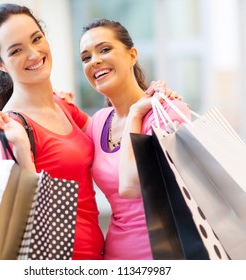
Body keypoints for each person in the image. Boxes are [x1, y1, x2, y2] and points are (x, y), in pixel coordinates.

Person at [0, 3, 104, 260]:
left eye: (36, 39)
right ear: (0, 63)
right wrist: (21, 149)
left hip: (97, 252)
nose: (34, 53)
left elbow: (110, 138)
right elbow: (19, 218)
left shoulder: (62, 104)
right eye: (16, 50)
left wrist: (143, 104)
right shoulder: (8, 128)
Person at [79, 18, 191, 259]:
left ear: (132, 55)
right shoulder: (98, 122)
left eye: (105, 49)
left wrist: (136, 113)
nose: (94, 60)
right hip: (115, 255)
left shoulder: (168, 112)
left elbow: (130, 185)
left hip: (167, 255)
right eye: (86, 57)